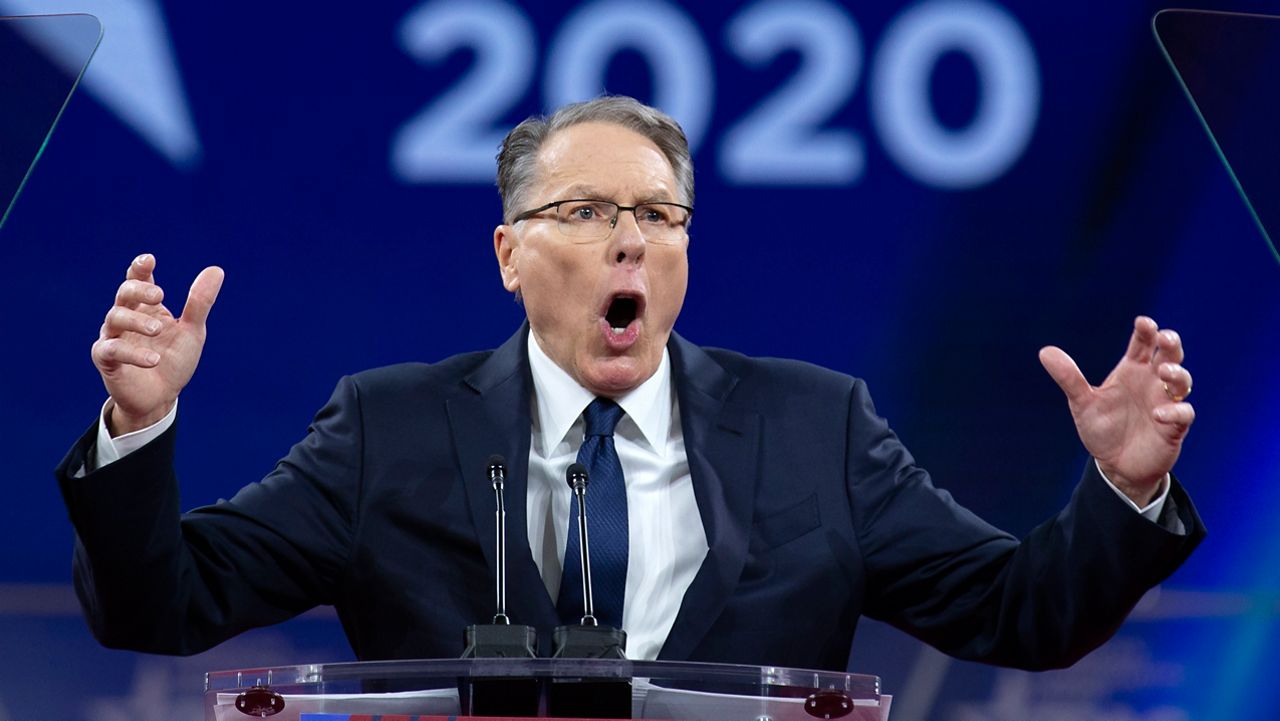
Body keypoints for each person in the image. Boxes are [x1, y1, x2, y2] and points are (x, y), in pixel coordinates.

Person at [58, 96, 1203, 670]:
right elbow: (160, 605)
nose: (630, 243)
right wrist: (137, 425)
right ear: (509, 255)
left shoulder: (817, 425)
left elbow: (1023, 614)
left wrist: (1121, 489)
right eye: (586, 213)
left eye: (658, 216)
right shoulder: (386, 427)